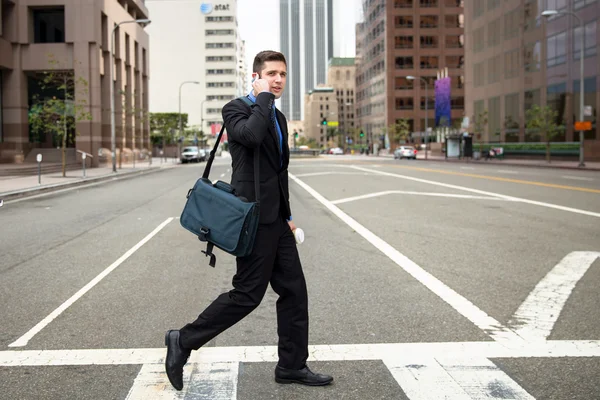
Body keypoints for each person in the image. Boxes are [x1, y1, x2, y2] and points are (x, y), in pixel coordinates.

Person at [164, 50, 333, 391]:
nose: (279, 80)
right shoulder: (236, 109)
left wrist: (288, 216)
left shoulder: (279, 117)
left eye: (283, 74)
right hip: (251, 219)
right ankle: (183, 340)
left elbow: (278, 171)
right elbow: (251, 137)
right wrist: (263, 97)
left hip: (275, 220)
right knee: (247, 295)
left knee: (294, 292)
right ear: (255, 77)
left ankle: (291, 365)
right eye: (271, 74)